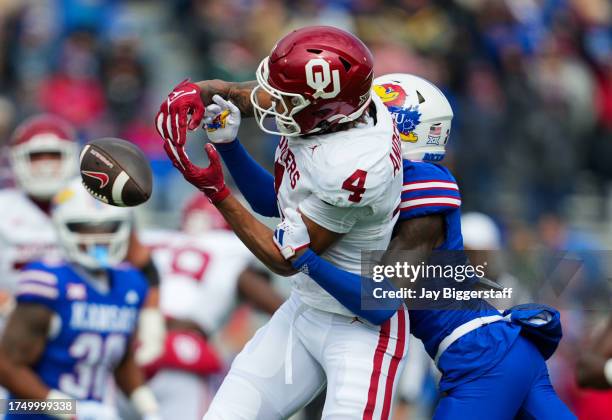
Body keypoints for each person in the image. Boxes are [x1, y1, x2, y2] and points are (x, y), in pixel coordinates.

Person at [190, 70, 575, 419]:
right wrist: (229, 146)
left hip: (480, 357)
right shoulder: (361, 173)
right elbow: (276, 202)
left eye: (370, 113)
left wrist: (305, 258)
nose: (356, 119)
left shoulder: (417, 182)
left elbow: (382, 299)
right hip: (500, 348)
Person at [156, 26, 408, 420]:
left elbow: (286, 257)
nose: (271, 102)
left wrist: (215, 190)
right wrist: (206, 101)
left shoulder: (356, 166)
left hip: (359, 330)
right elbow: (274, 200)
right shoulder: (337, 112)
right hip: (305, 309)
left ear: (323, 108)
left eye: (285, 98)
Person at [0, 114, 166, 371]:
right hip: (12, 334)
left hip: (84, 337)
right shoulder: (4, 208)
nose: (45, 166)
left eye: (53, 155)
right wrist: (9, 305)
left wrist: (151, 317)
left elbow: (143, 265)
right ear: (17, 159)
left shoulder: (96, 199)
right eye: (37, 156)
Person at [0, 179, 161, 419]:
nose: (98, 238)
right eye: (84, 227)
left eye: (109, 227)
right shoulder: (48, 282)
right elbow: (6, 368)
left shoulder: (131, 284)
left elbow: (121, 357)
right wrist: (68, 409)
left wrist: (147, 406)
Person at [142, 193, 284, 420]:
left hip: (124, 351)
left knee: (81, 410)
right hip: (179, 356)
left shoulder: (153, 241)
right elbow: (280, 308)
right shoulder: (230, 249)